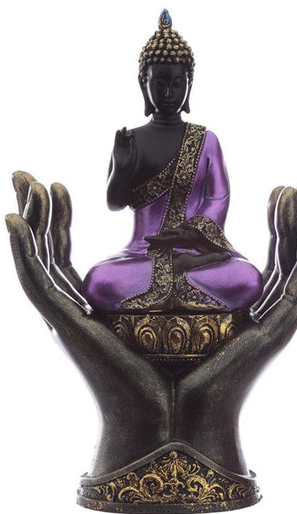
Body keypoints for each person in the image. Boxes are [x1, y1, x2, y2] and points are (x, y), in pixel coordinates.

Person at [83, 10, 263, 312]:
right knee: (98, 281)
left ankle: (171, 287)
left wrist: (190, 238)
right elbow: (114, 203)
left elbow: (218, 199)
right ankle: (187, 296)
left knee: (248, 278)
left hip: (197, 256)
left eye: (178, 83)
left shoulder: (206, 141)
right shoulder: (131, 141)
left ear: (189, 84)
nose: (168, 93)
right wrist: (122, 169)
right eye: (159, 83)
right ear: (143, 84)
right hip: (141, 255)